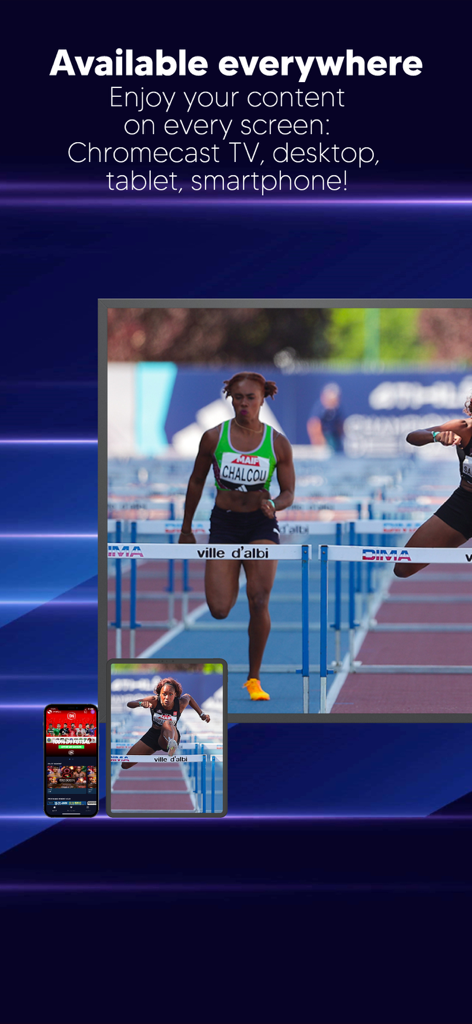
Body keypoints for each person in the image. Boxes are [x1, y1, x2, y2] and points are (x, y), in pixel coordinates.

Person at [178, 372, 295, 701]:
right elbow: (196, 482)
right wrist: (186, 529)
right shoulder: (214, 438)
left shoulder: (277, 443)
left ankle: (254, 679)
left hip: (260, 524)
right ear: (230, 398)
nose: (244, 403)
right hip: (225, 525)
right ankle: (230, 578)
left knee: (258, 600)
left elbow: (288, 493)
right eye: (238, 397)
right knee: (219, 608)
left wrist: (275, 504)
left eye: (250, 398)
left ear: (263, 399)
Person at [394, 401, 472, 579]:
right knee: (403, 567)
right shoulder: (464, 427)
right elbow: (413, 436)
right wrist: (437, 436)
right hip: (464, 504)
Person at [121, 677, 211, 770]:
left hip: (171, 735)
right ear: (159, 694)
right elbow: (130, 703)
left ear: (175, 694)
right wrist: (140, 703)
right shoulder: (154, 700)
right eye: (164, 694)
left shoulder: (180, 703)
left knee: (167, 722)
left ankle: (171, 745)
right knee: (125, 764)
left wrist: (202, 714)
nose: (167, 697)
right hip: (153, 735)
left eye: (170, 694)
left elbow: (189, 697)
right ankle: (169, 744)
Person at [307, 382, 344, 452]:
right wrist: (319, 440)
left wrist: (341, 438)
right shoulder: (319, 408)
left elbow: (340, 425)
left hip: (334, 437)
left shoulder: (338, 409)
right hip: (323, 437)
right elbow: (313, 424)